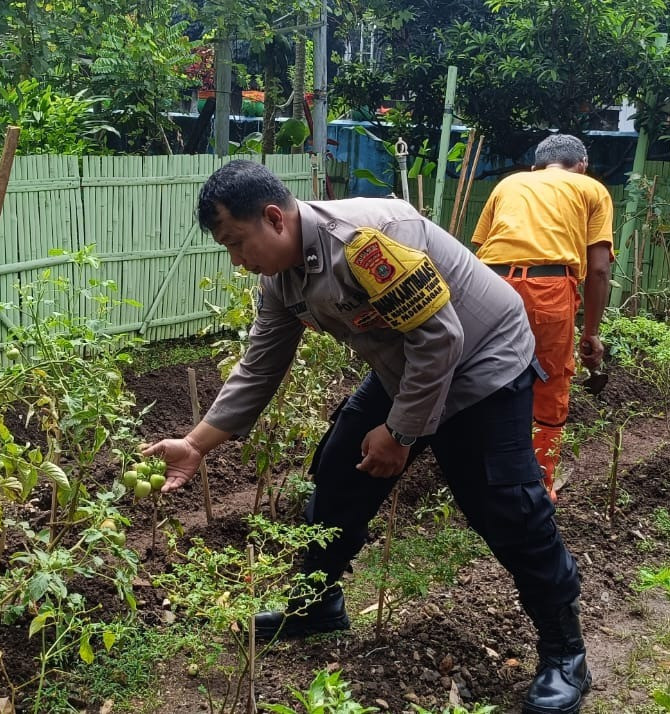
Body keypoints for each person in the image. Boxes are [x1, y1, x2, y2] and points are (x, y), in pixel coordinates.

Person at [145, 160, 590, 714]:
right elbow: (260, 367)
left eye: (237, 243)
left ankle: (564, 652)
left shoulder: (365, 243)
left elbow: (441, 340)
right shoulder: (280, 281)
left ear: (274, 218)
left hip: (482, 365)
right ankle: (316, 604)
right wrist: (196, 445)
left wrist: (399, 433)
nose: (238, 261)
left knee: (507, 506)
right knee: (337, 472)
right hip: (407, 367)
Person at [471, 134, 613, 502]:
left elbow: (478, 248)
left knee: (480, 375)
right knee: (549, 384)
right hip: (547, 291)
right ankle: (536, 487)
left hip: (488, 284)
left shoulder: (509, 184)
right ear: (581, 164)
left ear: (536, 166)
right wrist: (592, 334)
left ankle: (472, 478)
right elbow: (598, 270)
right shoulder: (590, 188)